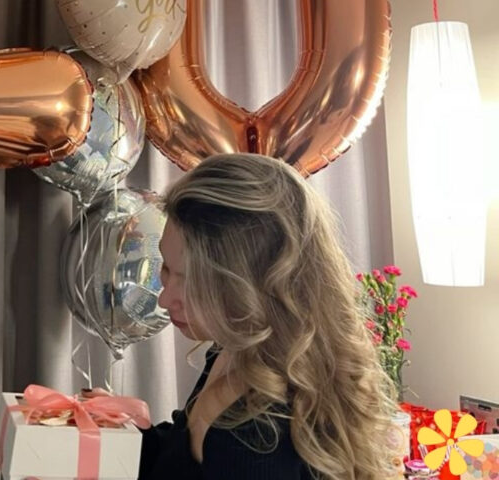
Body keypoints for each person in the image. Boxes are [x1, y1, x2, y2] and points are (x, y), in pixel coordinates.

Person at [138, 153, 400, 480]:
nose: (164, 298)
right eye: (166, 268)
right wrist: (135, 433)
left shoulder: (257, 438)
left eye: (192, 281)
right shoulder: (232, 349)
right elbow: (184, 458)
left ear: (251, 286)